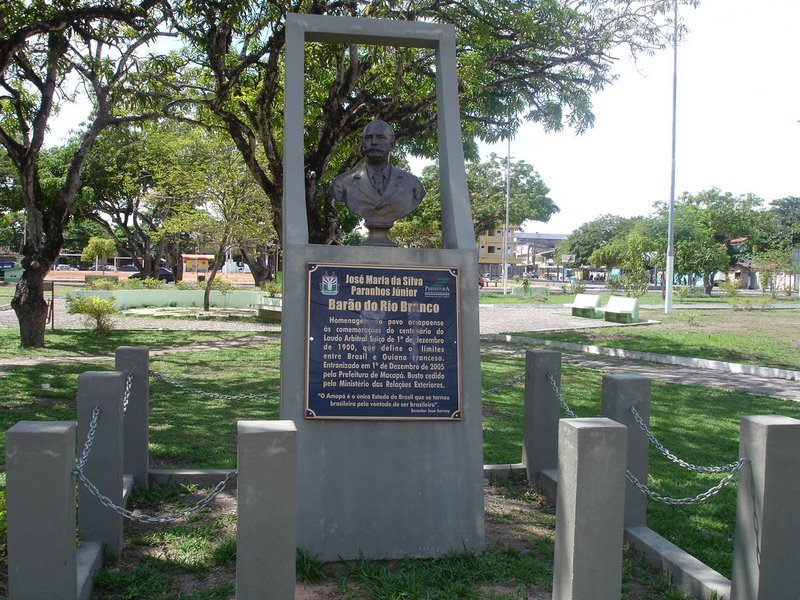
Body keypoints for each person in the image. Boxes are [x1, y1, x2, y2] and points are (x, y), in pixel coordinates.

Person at [329, 120, 425, 246]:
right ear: (362, 143)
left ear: (392, 144)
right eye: (368, 138)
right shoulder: (342, 184)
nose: (373, 142)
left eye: (380, 137)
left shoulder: (413, 185)